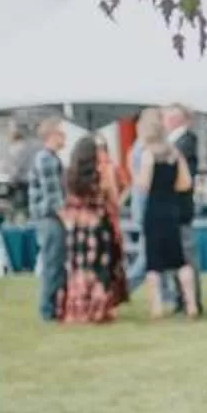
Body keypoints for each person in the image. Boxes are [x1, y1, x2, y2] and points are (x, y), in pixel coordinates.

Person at [128, 108, 201, 321]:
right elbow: (185, 183)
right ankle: (192, 304)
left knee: (154, 263)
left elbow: (143, 184)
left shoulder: (149, 155)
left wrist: (136, 174)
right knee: (181, 261)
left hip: (154, 209)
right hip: (173, 209)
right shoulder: (174, 154)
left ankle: (157, 307)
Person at [51, 137, 128, 326]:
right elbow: (113, 200)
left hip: (78, 228)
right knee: (100, 268)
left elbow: (66, 201)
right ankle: (99, 308)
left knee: (79, 267)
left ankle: (77, 308)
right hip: (99, 226)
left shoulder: (70, 174)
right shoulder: (102, 173)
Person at [27, 117, 71, 323]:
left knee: (57, 263)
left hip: (50, 218)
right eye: (62, 133)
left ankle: (56, 307)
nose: (65, 137)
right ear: (52, 135)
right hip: (49, 219)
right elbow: (53, 197)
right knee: (53, 263)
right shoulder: (47, 159)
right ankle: (48, 310)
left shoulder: (51, 158)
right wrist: (68, 220)